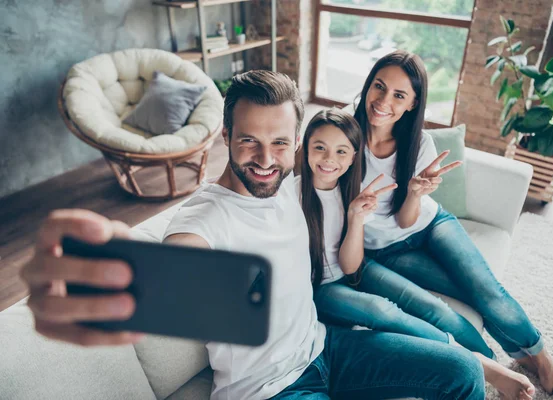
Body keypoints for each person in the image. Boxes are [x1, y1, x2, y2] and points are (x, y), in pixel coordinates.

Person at [20, 70, 486, 400]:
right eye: (249, 141)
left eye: (280, 142)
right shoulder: (203, 217)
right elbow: (178, 270)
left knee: (464, 371)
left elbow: (345, 149)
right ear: (226, 134)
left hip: (328, 347)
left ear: (296, 144)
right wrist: (120, 283)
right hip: (270, 388)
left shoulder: (292, 186)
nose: (265, 158)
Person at [351, 49, 553, 397]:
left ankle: (541, 357)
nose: (384, 101)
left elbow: (407, 217)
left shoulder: (418, 142)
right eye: (379, 87)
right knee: (466, 293)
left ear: (413, 104)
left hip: (429, 224)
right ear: (367, 86)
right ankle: (516, 359)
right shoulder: (345, 138)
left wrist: (414, 193)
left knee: (486, 289)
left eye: (399, 95)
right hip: (385, 249)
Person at [298, 108, 535, 400]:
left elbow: (351, 265)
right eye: (319, 147)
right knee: (381, 310)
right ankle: (483, 366)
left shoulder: (353, 191)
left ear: (353, 156)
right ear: (304, 145)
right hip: (321, 287)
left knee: (429, 305)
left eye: (341, 151)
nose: (328, 159)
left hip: (356, 268)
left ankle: (487, 361)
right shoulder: (291, 195)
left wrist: (356, 218)